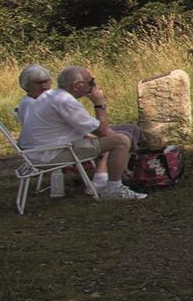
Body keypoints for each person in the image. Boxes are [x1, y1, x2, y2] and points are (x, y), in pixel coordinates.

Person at [16, 66, 147, 200]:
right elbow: (102, 131)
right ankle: (113, 188)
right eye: (91, 82)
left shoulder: (50, 96)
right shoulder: (65, 101)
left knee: (121, 135)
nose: (94, 86)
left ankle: (111, 179)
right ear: (77, 85)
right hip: (49, 154)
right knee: (121, 140)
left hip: (37, 151)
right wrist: (99, 103)